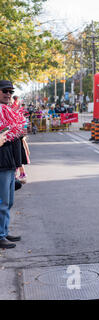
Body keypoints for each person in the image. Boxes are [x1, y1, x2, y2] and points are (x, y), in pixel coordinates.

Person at [0, 80, 26, 249]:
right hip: (2, 160)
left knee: (8, 201)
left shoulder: (8, 109)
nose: (8, 94)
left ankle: (4, 231)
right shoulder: (2, 111)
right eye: (5, 91)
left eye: (10, 91)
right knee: (2, 201)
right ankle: (1, 235)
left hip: (10, 161)